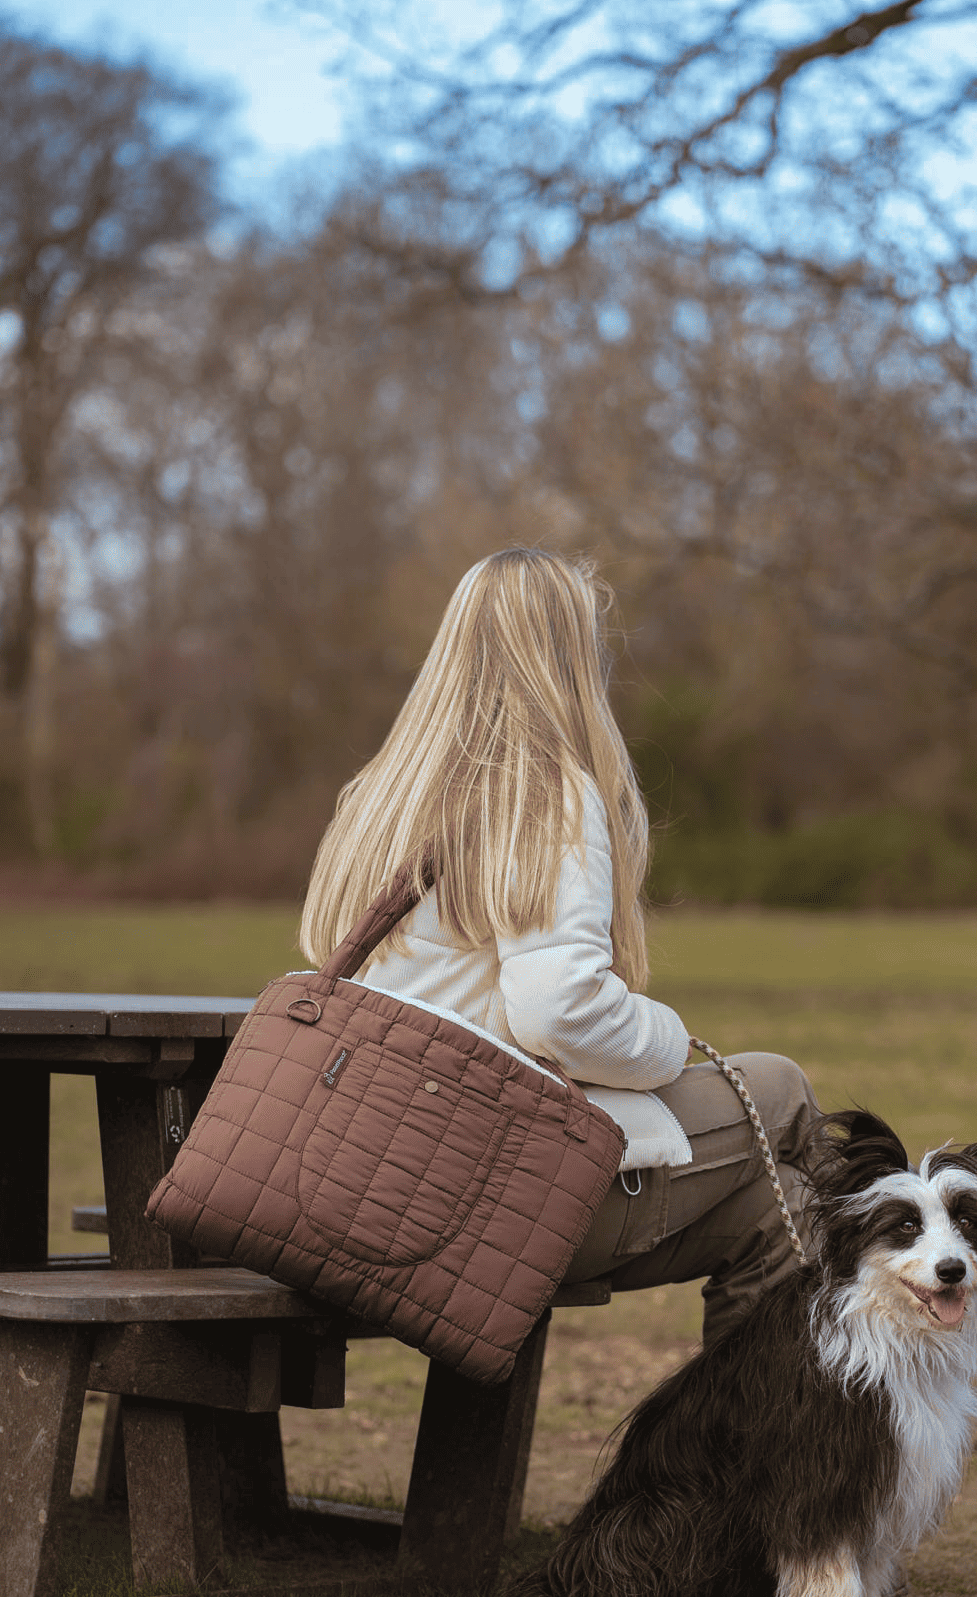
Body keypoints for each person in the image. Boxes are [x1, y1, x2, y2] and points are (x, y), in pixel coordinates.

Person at [298, 547, 821, 1342]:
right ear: (568, 656)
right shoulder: (540, 793)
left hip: (376, 1179)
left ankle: (743, 1450)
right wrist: (669, 1040)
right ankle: (850, 1404)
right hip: (485, 1197)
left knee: (783, 1209)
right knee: (779, 1089)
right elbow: (560, 1013)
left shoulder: (381, 796)